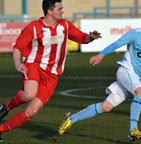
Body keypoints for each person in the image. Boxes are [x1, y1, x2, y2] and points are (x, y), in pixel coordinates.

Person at [58, 7, 141, 141]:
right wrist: (101, 55)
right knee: (140, 92)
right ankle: (133, 130)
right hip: (126, 70)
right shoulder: (135, 34)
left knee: (106, 107)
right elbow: (116, 44)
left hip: (136, 78)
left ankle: (71, 119)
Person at [0, 0, 101, 142]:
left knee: (31, 111)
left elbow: (81, 37)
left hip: (52, 74)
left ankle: (1, 129)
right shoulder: (34, 27)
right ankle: (6, 107)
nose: (62, 11)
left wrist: (91, 37)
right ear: (49, 11)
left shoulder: (65, 25)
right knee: (29, 94)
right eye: (59, 9)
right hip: (34, 65)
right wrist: (17, 62)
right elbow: (18, 47)